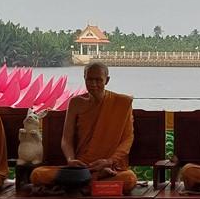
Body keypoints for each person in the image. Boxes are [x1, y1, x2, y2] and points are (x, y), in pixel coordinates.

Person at [30, 62, 137, 192]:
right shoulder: (75, 103)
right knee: (37, 174)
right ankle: (92, 183)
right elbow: (66, 139)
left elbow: (128, 139)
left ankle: (79, 185)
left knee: (129, 179)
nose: (93, 84)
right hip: (81, 167)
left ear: (107, 80)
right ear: (84, 78)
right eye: (89, 79)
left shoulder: (122, 103)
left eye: (98, 80)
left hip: (110, 167)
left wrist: (109, 161)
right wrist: (71, 160)